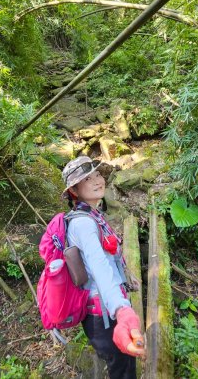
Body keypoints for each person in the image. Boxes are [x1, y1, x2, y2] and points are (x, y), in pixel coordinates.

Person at [61, 156, 145, 379]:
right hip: (104, 314)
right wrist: (121, 308)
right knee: (123, 370)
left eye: (97, 174)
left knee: (123, 365)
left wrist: (127, 276)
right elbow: (98, 266)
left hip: (106, 307)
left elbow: (107, 258)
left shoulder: (93, 215)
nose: (98, 180)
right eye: (87, 179)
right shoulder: (83, 223)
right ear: (74, 191)